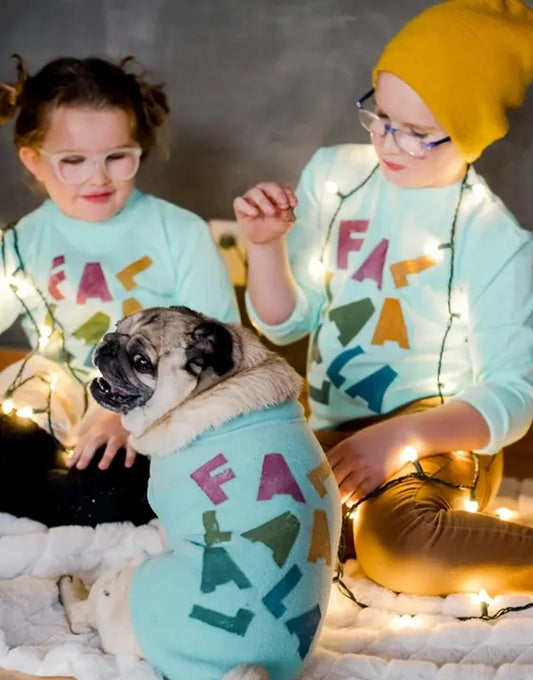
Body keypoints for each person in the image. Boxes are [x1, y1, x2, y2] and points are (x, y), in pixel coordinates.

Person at [234, 0, 533, 597]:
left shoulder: (493, 237)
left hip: (440, 438)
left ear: (471, 134)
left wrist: (400, 438)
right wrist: (264, 247)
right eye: (380, 116)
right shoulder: (336, 177)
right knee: (235, 516)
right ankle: (353, 517)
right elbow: (288, 324)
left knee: (401, 552)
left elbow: (513, 397)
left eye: (419, 135)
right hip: (332, 430)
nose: (390, 144)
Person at [0, 55, 239, 527]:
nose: (98, 177)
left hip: (152, 404)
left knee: (111, 490)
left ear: (138, 150)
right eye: (72, 161)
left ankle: (67, 505)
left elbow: (219, 353)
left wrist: (132, 414)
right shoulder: (22, 243)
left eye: (117, 157)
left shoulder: (179, 233)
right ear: (33, 160)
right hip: (57, 398)